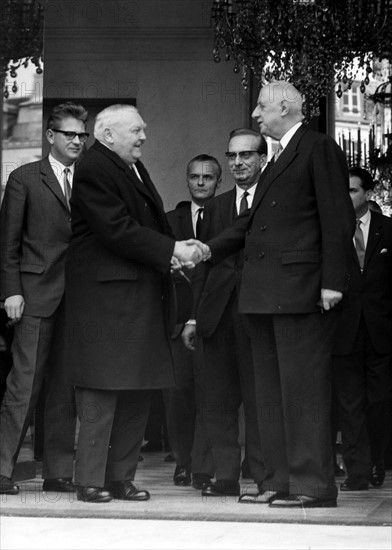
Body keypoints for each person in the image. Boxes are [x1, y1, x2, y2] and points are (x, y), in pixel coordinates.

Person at [199, 81, 355, 508]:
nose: (255, 115)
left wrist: (333, 281)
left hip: (302, 292)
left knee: (302, 393)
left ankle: (312, 486)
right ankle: (279, 481)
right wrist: (207, 248)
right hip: (264, 295)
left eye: (261, 108)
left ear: (284, 108)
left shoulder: (317, 147)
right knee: (268, 394)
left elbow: (337, 216)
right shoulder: (278, 156)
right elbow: (250, 225)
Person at [64, 103, 204, 503]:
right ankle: (89, 479)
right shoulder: (94, 167)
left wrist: (169, 257)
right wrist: (173, 247)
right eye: (136, 131)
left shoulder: (130, 166)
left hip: (138, 296)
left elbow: (139, 229)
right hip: (107, 303)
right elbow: (116, 230)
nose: (143, 137)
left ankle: (120, 477)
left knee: (137, 389)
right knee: (101, 391)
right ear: (108, 135)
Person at [0, 102, 89, 496]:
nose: (76, 140)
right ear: (50, 136)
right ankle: (1, 470)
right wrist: (12, 291)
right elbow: (8, 245)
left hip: (78, 298)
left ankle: (57, 472)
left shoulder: (89, 180)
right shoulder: (24, 178)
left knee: (62, 388)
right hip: (34, 295)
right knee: (25, 385)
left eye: (81, 134)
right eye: (69, 134)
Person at [182, 129, 268, 497]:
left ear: (263, 158)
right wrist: (193, 316)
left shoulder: (273, 199)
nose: (238, 163)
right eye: (232, 157)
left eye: (246, 156)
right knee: (216, 399)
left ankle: (267, 477)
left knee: (260, 398)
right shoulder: (215, 207)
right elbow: (203, 265)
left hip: (258, 312)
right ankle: (225, 476)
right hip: (216, 316)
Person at [333, 167, 392, 491]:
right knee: (349, 404)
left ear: (367, 194)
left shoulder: (388, 229)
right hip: (344, 332)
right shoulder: (334, 230)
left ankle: (377, 463)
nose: (347, 197)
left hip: (381, 334)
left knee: (379, 402)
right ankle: (357, 471)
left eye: (353, 190)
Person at [165, 154, 220, 488]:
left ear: (219, 181)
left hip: (214, 319)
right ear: (187, 179)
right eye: (195, 176)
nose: (201, 183)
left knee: (211, 395)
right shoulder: (169, 220)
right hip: (176, 321)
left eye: (208, 177)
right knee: (178, 395)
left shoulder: (229, 215)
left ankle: (204, 464)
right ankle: (183, 461)